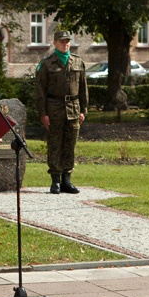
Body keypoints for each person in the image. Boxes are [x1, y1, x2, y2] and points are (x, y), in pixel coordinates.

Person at [34, 30, 88, 195]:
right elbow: (40, 91)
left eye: (67, 41)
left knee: (70, 144)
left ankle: (67, 179)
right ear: (55, 43)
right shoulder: (46, 64)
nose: (65, 44)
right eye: (62, 41)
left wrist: (83, 110)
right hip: (54, 108)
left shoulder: (78, 62)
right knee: (54, 144)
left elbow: (83, 88)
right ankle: (55, 180)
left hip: (73, 108)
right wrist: (43, 113)